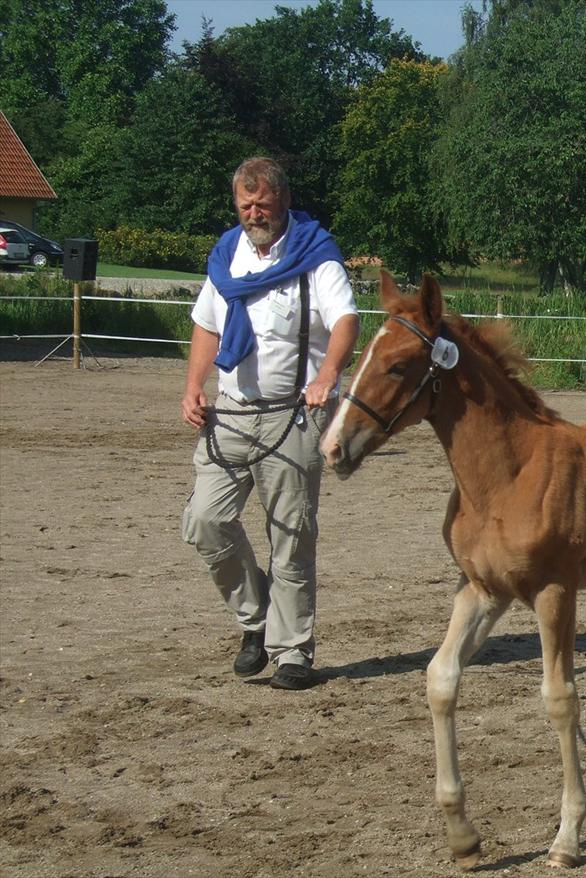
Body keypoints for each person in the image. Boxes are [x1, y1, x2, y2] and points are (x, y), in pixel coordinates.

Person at [180, 157, 359, 691]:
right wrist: (193, 386)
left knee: (291, 535)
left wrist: (328, 374)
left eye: (262, 203)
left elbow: (346, 321)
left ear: (283, 201)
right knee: (205, 522)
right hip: (230, 413)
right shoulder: (225, 257)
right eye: (244, 204)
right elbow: (207, 327)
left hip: (293, 415)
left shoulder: (315, 257)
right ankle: (255, 617)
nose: (253, 212)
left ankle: (293, 651)